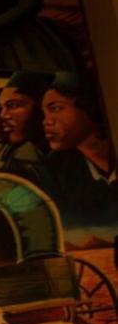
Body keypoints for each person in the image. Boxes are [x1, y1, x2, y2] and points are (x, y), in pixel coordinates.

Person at [42, 73, 117, 225]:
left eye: (55, 108)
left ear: (88, 106)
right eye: (44, 113)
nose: (46, 122)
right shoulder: (56, 169)